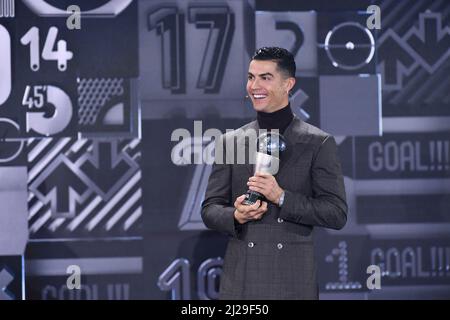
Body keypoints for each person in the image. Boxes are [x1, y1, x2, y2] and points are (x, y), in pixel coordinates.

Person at [201, 47, 347, 300]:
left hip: (292, 283)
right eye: (250, 77)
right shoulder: (230, 142)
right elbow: (210, 209)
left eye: (265, 77)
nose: (254, 86)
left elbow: (336, 214)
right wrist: (236, 215)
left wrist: (281, 197)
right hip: (242, 284)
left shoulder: (318, 143)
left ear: (288, 84)